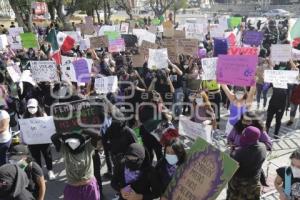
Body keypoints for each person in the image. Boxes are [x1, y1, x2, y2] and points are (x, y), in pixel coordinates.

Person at [51, 129, 101, 200]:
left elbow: (97, 135)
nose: (72, 145)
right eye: (70, 143)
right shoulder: (65, 150)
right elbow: (53, 138)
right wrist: (64, 131)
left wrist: (81, 129)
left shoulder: (88, 147)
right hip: (73, 189)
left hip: (89, 187)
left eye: (74, 142)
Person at [226, 126, 267, 200]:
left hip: (238, 183)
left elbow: (231, 167)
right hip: (254, 180)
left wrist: (232, 151)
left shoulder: (238, 154)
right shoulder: (263, 147)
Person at [23, 98, 55, 180]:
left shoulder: (43, 115)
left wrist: (51, 138)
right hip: (32, 141)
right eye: (29, 107)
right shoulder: (25, 116)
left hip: (44, 140)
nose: (31, 109)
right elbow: (23, 129)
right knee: (36, 157)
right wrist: (23, 140)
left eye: (33, 107)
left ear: (37, 106)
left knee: (47, 155)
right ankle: (39, 172)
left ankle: (50, 170)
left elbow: (49, 126)